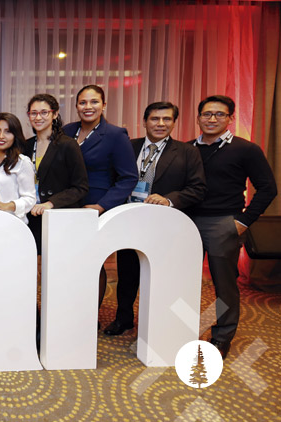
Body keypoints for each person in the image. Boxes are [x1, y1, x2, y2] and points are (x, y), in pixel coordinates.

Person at [105, 102, 207, 336]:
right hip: (128, 219)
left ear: (174, 122)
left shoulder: (187, 152)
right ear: (144, 121)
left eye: (167, 119)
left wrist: (169, 200)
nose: (161, 124)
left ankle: (157, 324)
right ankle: (123, 319)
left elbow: (198, 188)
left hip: (163, 224)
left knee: (160, 276)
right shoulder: (128, 147)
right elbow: (113, 179)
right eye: (155, 119)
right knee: (127, 273)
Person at [186, 95, 277, 358]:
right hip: (186, 223)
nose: (212, 119)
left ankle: (222, 336)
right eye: (207, 114)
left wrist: (243, 222)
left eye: (219, 114)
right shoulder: (187, 148)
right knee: (182, 280)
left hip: (223, 223)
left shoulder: (246, 149)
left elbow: (268, 188)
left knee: (224, 284)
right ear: (198, 118)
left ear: (230, 118)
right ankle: (182, 330)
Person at [62, 85, 138, 311]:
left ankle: (89, 316)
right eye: (83, 102)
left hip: (94, 208)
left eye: (94, 102)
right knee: (68, 262)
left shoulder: (115, 135)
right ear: (76, 106)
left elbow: (128, 177)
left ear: (104, 105)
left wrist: (101, 205)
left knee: (92, 263)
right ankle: (69, 311)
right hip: (67, 207)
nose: (88, 107)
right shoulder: (67, 131)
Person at [24, 94, 88, 253]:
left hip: (59, 216)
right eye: (33, 113)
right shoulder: (26, 145)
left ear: (55, 114)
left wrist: (50, 203)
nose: (38, 117)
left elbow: (80, 187)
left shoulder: (68, 145)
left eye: (44, 112)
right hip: (31, 215)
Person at [0, 112, 36, 222]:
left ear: (15, 135)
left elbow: (30, 199)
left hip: (11, 223)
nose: (1, 136)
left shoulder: (22, 162)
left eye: (7, 132)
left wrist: (6, 205)